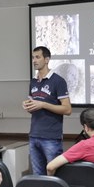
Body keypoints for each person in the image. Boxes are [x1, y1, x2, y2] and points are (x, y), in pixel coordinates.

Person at [22, 46, 72, 175]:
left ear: (47, 59)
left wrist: (43, 105)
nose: (34, 60)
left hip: (51, 138)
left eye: (38, 57)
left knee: (55, 176)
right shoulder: (33, 82)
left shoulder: (58, 81)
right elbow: (34, 107)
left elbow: (67, 109)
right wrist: (27, 105)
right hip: (34, 135)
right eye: (33, 57)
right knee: (38, 176)